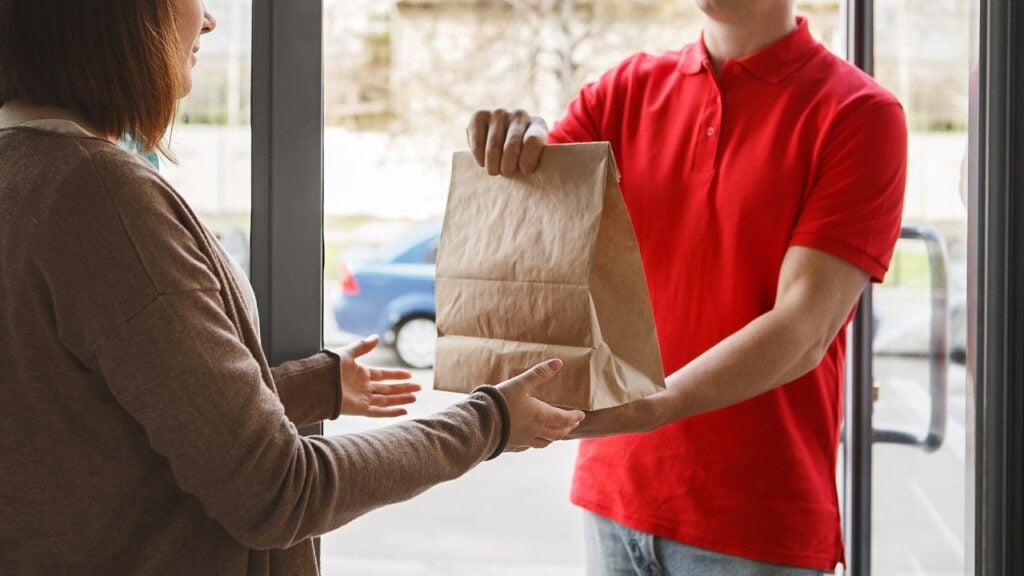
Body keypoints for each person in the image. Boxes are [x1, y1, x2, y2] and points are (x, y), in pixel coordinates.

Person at [0, 1, 585, 574]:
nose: (208, 18)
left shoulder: (23, 172)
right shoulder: (102, 198)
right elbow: (279, 492)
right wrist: (489, 424)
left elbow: (108, 425)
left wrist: (306, 388)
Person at [467, 0, 907, 574]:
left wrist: (655, 407)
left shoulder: (858, 113)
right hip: (615, 496)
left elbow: (803, 328)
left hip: (755, 522)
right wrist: (518, 138)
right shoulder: (623, 91)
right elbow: (529, 226)